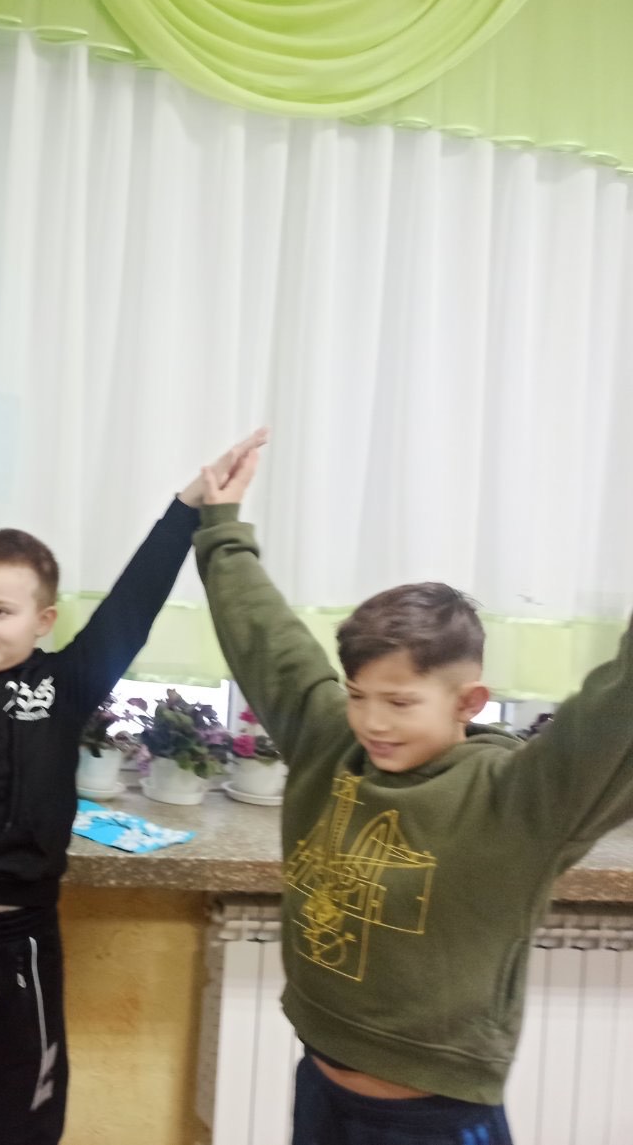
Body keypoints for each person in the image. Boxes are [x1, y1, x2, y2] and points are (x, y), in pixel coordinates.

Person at [0, 369, 263, 1144]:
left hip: (16, 938)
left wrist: (187, 508)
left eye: (1, 611)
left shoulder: (66, 683)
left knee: (24, 1122)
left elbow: (132, 607)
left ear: (42, 620)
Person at [195, 445, 632, 1143]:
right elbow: (265, 636)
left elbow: (616, 712)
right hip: (321, 1088)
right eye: (359, 694)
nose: (372, 721)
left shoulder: (520, 801)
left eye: (400, 702)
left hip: (433, 1121)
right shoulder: (331, 743)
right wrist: (221, 524)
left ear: (469, 700)